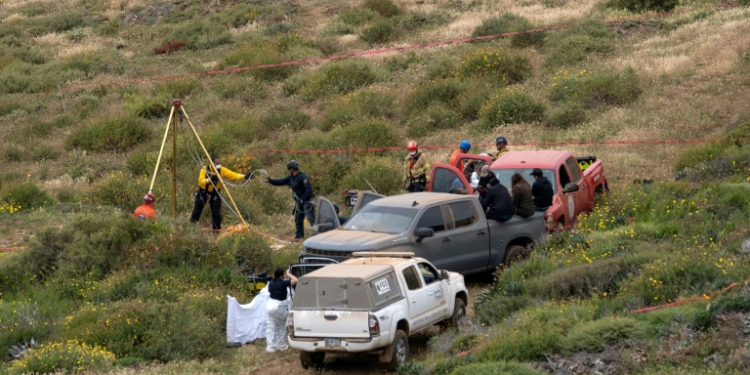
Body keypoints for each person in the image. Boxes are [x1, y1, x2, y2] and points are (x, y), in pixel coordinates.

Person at [190, 158, 254, 230]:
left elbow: (233, 175)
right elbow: (201, 181)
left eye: (219, 163)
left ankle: (216, 232)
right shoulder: (204, 170)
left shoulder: (222, 170)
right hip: (203, 192)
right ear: (212, 163)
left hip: (215, 193)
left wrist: (244, 176)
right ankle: (192, 228)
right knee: (197, 211)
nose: (218, 165)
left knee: (216, 213)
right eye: (216, 163)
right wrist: (209, 180)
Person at [267, 160, 316, 239]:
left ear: (291, 169)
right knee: (298, 219)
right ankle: (299, 237)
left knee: (311, 219)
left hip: (307, 201)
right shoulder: (291, 178)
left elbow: (309, 190)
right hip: (299, 203)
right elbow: (281, 181)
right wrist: (271, 181)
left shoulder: (303, 177)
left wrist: (302, 200)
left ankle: (317, 236)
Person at [265, 267, 298, 353]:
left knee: (270, 327)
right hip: (279, 307)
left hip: (269, 306)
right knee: (281, 326)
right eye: (284, 274)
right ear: (282, 275)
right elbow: (296, 280)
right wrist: (288, 274)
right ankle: (281, 345)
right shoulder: (283, 283)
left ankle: (271, 347)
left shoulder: (270, 283)